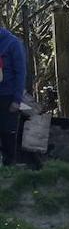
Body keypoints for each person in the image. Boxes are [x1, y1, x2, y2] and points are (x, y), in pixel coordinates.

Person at [0, 26, 28, 166]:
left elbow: (21, 73)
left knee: (7, 130)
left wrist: (17, 100)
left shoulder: (13, 43)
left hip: (7, 95)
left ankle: (10, 163)